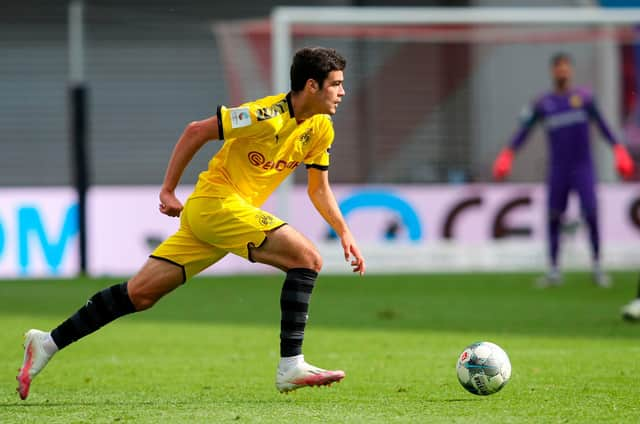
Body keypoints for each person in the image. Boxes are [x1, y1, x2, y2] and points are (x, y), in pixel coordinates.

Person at [16, 47, 366, 400]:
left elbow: (318, 188)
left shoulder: (320, 128)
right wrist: (168, 189)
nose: (342, 91)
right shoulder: (266, 115)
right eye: (336, 84)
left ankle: (47, 342)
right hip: (216, 205)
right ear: (311, 85)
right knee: (307, 258)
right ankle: (291, 364)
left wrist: (344, 231)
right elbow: (196, 130)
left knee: (140, 294)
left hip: (222, 217)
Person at [493, 52, 634, 288]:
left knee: (591, 212)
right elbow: (523, 131)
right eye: (558, 68)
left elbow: (603, 126)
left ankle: (598, 266)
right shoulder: (543, 104)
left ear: (571, 70)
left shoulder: (585, 98)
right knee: (553, 217)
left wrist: (618, 149)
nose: (562, 72)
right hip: (558, 169)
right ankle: (554, 270)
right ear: (552, 71)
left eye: (566, 67)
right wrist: (508, 153)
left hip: (583, 167)